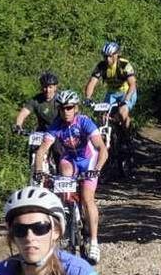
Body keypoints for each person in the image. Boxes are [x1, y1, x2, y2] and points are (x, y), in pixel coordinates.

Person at [33, 90, 108, 264]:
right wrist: (38, 170)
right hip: (70, 160)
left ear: (76, 108)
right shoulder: (56, 125)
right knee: (63, 175)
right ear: (58, 110)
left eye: (69, 107)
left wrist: (96, 169)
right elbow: (42, 150)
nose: (66, 111)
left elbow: (102, 149)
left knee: (88, 198)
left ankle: (94, 242)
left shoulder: (84, 122)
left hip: (88, 160)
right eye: (62, 108)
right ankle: (68, 213)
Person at [0, 186, 98, 275]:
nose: (29, 237)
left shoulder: (80, 271)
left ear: (56, 231)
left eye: (40, 228)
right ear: (12, 234)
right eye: (20, 229)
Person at [84, 41, 137, 131]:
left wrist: (126, 100)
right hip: (112, 93)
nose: (108, 59)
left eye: (110, 56)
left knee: (122, 112)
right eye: (105, 56)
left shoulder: (124, 65)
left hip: (127, 92)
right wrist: (88, 98)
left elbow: (132, 84)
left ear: (116, 55)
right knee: (103, 116)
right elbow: (92, 83)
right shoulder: (101, 66)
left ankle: (127, 135)